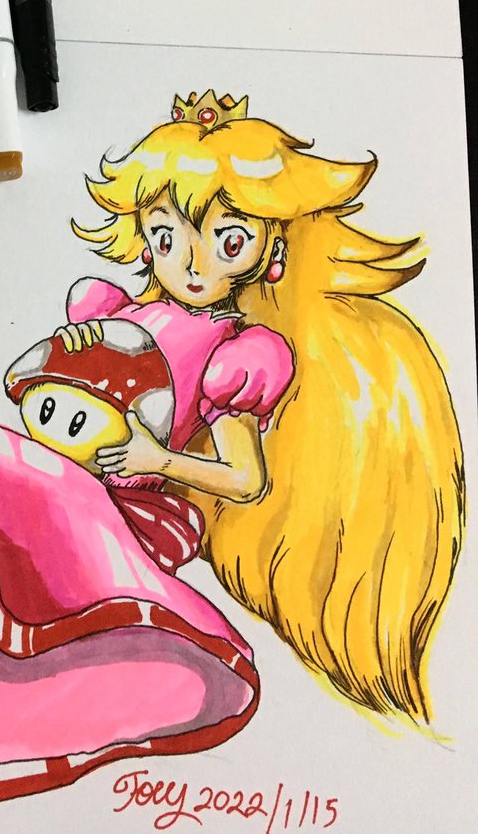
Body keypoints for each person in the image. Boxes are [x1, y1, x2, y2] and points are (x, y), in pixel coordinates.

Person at [68, 89, 464, 723]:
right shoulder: (124, 314)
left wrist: (155, 460)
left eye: (228, 241)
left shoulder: (233, 358)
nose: (191, 263)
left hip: (139, 519)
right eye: (167, 236)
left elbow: (244, 480)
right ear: (143, 240)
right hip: (82, 487)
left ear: (271, 250)